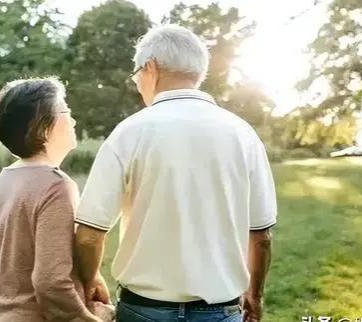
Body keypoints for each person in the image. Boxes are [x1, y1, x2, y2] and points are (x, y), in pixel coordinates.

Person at [73, 25, 277, 322]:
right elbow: (261, 237)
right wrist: (255, 296)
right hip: (220, 312)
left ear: (151, 68)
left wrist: (88, 283)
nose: (138, 83)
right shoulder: (243, 134)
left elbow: (90, 235)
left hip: (142, 310)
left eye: (137, 74)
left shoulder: (129, 132)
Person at [0, 77, 113, 322]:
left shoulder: (7, 177)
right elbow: (51, 282)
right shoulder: (55, 186)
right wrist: (86, 319)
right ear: (43, 128)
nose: (73, 120)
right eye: (66, 111)